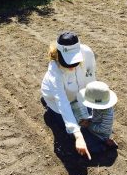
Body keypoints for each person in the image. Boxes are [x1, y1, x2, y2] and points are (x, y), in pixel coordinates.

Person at [41, 31, 96, 160]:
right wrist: (78, 136)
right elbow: (62, 102)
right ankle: (47, 103)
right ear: (58, 54)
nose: (72, 67)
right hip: (55, 99)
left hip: (78, 95)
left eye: (75, 63)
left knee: (88, 122)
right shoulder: (55, 70)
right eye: (68, 63)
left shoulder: (87, 53)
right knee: (74, 129)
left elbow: (91, 79)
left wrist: (93, 105)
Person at [77, 81, 118, 148]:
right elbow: (95, 116)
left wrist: (89, 125)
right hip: (95, 125)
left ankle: (106, 142)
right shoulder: (98, 107)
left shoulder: (108, 113)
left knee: (92, 146)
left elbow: (104, 129)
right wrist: (89, 119)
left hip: (101, 134)